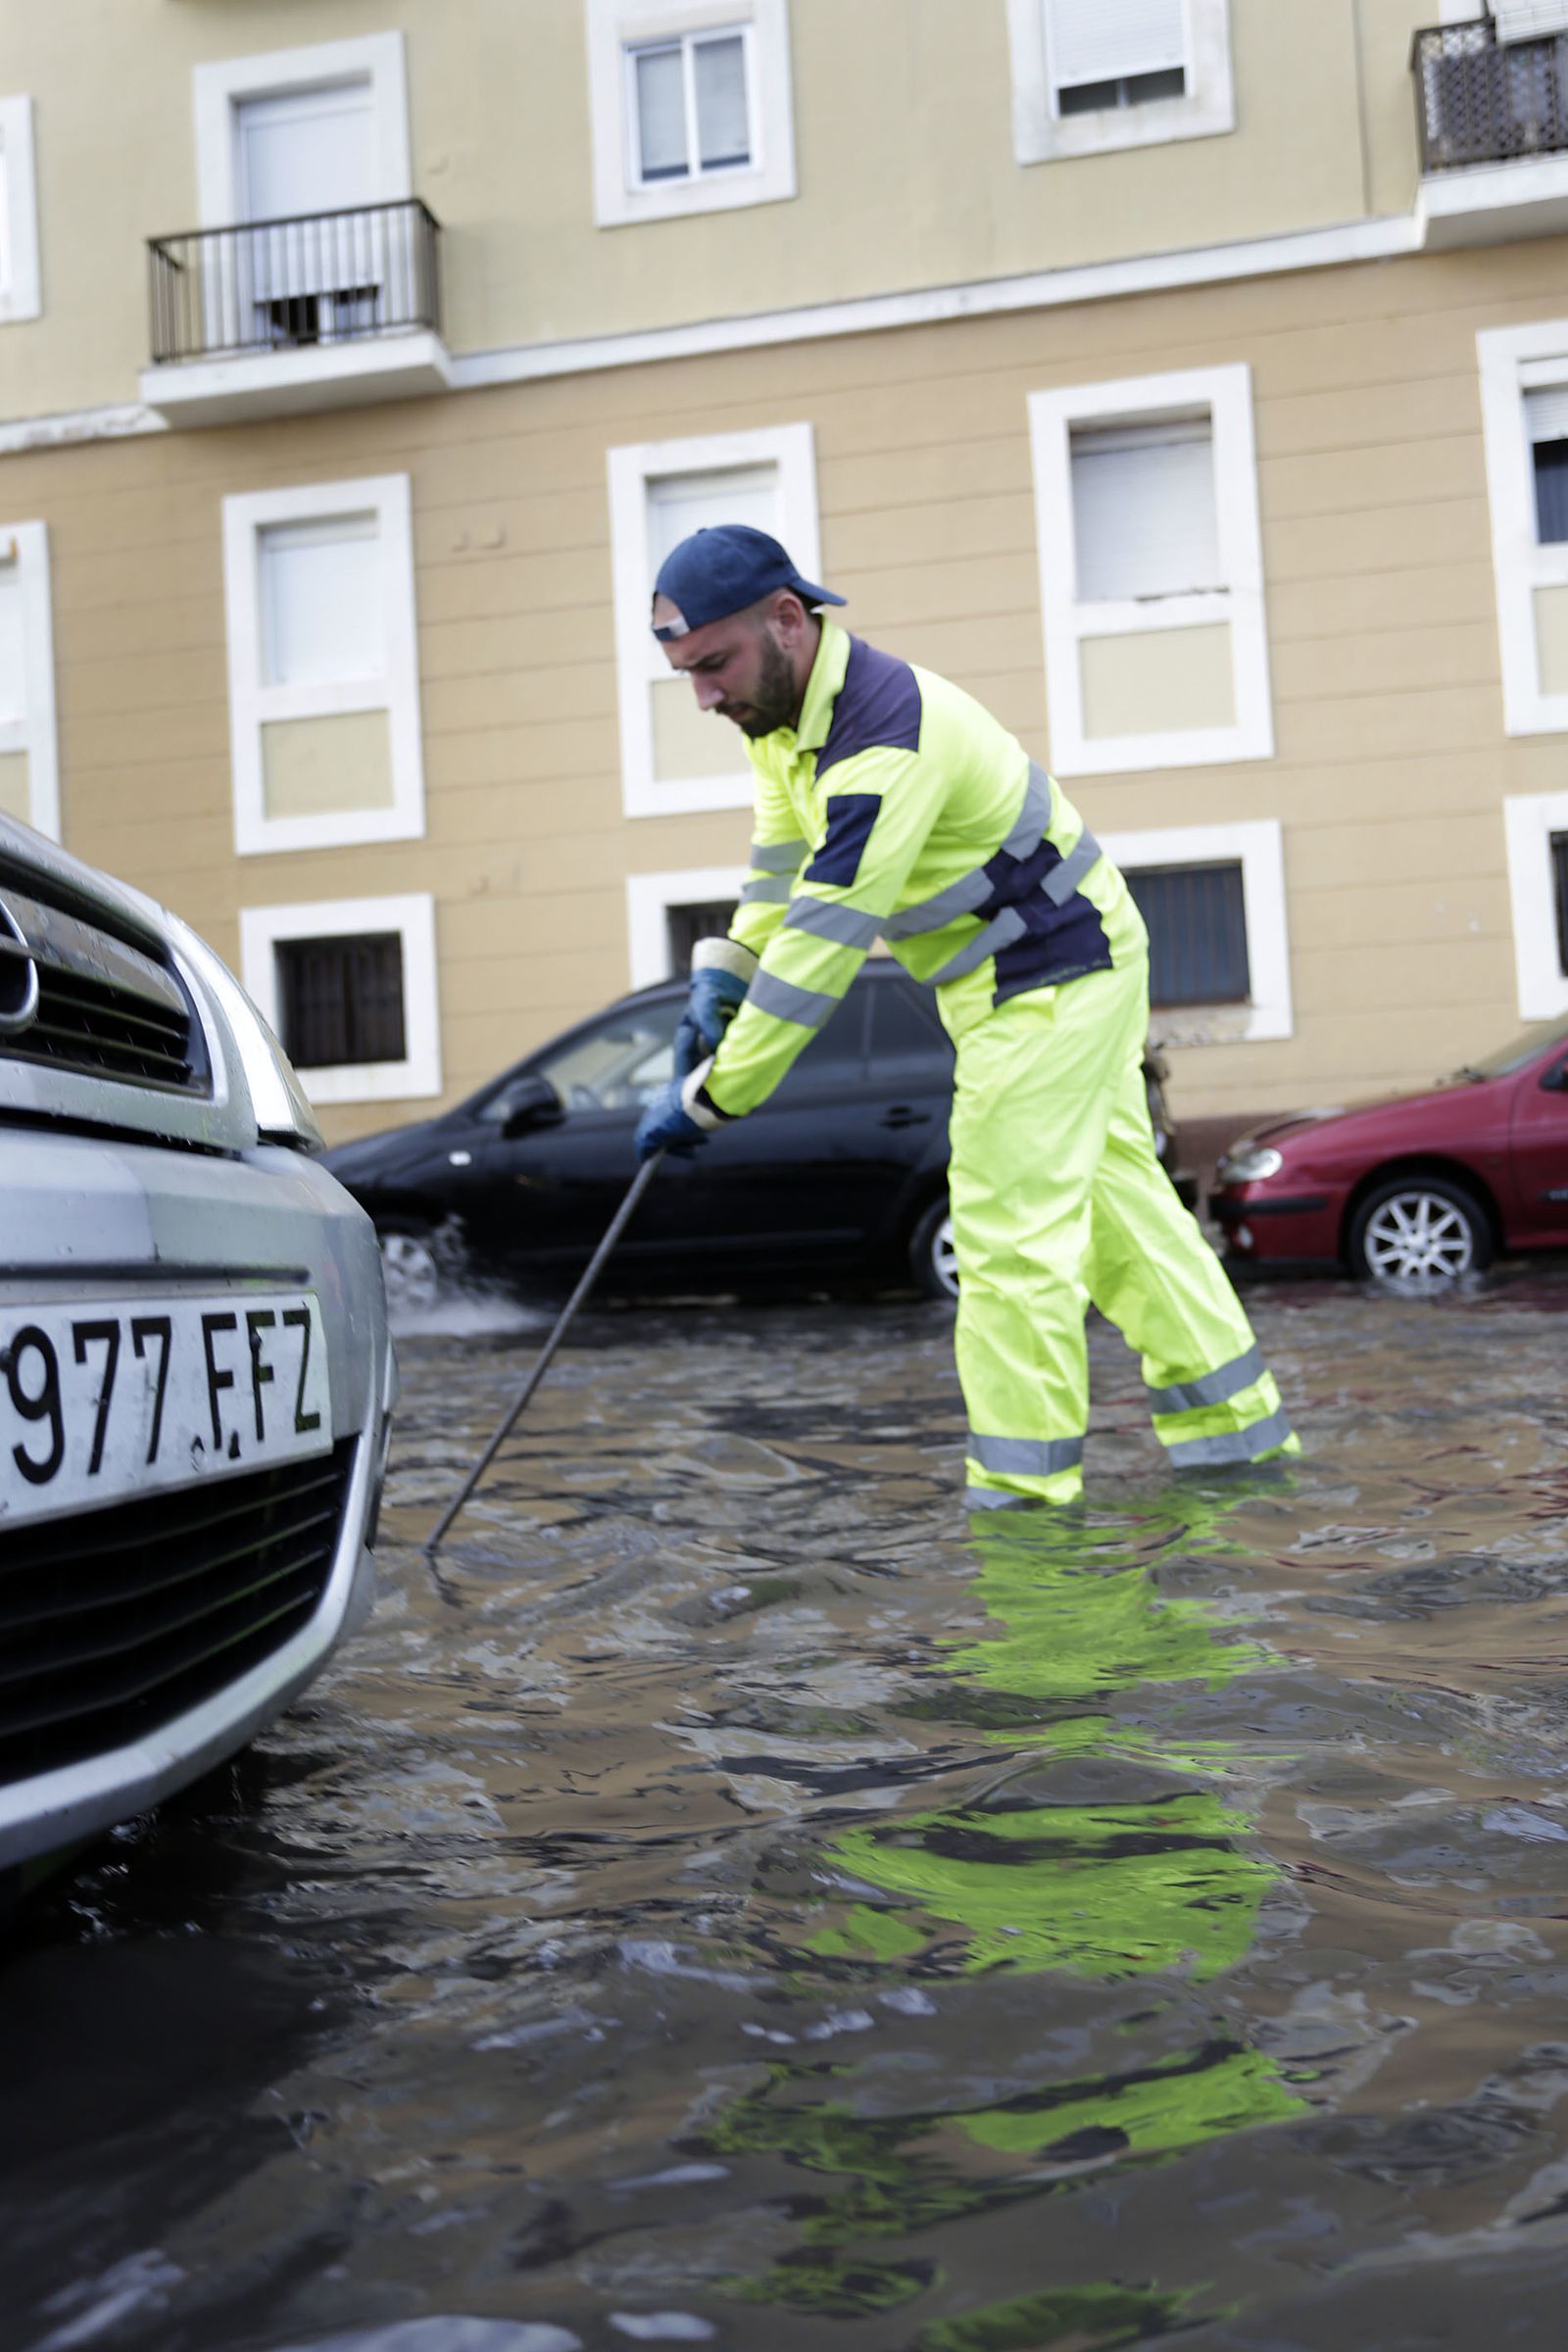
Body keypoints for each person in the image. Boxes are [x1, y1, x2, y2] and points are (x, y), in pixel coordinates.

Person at [633, 523, 1298, 1508]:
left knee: (1004, 1238)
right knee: (1120, 1215)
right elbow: (781, 853)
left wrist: (712, 1099)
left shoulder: (879, 744)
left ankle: (1024, 1514)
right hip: (1055, 967)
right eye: (686, 673)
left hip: (1048, 977)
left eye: (714, 664)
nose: (704, 696)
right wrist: (724, 973)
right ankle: (1239, 1446)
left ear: (786, 620)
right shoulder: (785, 720)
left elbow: (820, 952)